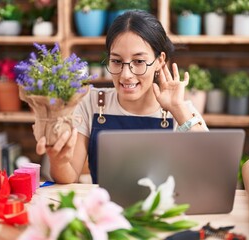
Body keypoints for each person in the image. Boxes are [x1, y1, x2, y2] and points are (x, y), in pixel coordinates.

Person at [36, 10, 209, 184]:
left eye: (139, 61)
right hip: (106, 209)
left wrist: (177, 108)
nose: (126, 74)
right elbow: (69, 175)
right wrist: (59, 161)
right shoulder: (92, 101)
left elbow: (209, 166)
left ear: (160, 61)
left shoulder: (179, 109)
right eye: (117, 61)